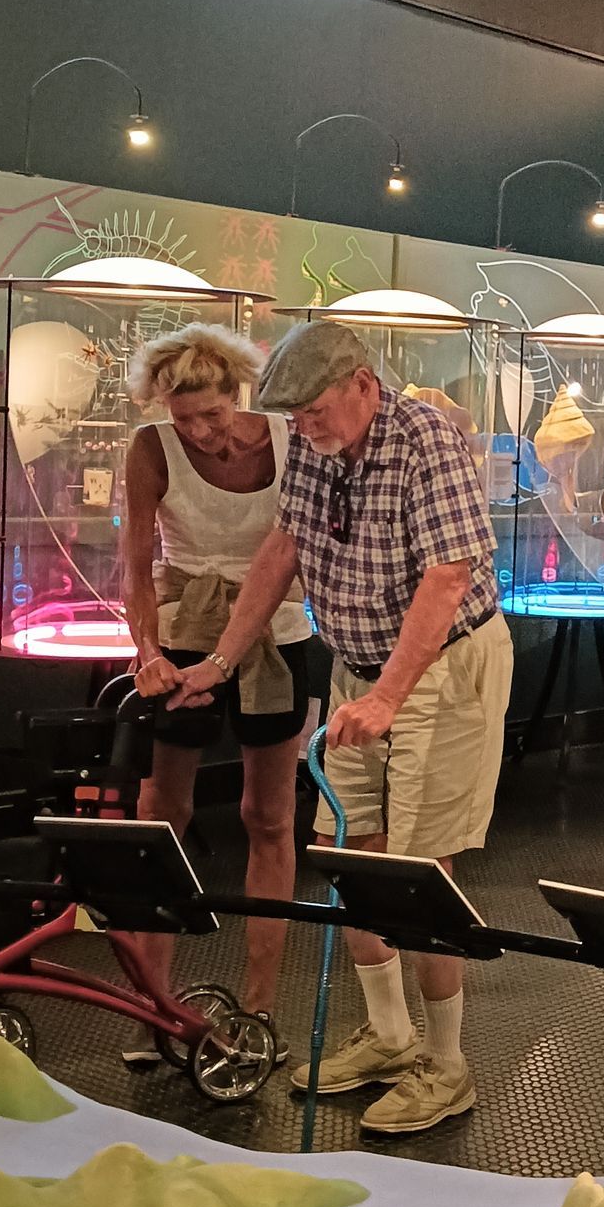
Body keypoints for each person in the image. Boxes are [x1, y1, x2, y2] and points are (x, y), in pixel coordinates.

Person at [164, 317, 512, 1137]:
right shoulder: (318, 448)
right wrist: (220, 661)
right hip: (360, 668)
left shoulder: (426, 440)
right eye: (294, 417)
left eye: (315, 411)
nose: (306, 428)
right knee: (349, 853)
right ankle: (390, 1037)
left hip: (441, 666)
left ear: (362, 384)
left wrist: (390, 695)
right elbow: (282, 549)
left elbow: (446, 577)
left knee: (419, 868)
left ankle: (447, 1066)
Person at [123, 324, 311, 1049]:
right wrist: (146, 652)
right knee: (162, 812)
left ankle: (259, 1008)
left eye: (212, 414)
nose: (201, 432)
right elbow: (137, 563)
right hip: (185, 632)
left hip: (277, 635)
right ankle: (152, 1004)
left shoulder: (290, 440)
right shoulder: (151, 448)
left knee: (269, 817)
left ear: (239, 394)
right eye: (185, 419)